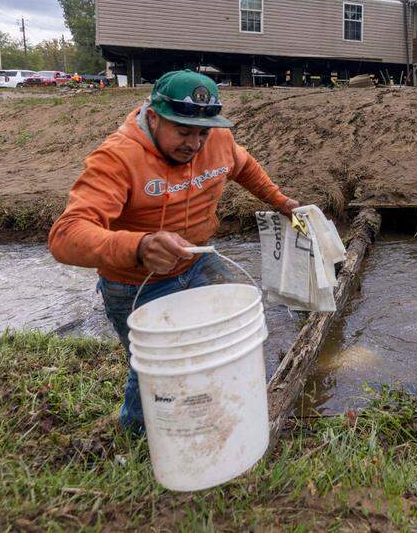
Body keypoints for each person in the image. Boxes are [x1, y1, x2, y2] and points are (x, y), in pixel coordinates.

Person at [48, 69, 299, 434]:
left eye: (202, 132)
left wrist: (281, 202)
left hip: (198, 260)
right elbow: (65, 236)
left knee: (231, 336)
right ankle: (138, 434)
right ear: (154, 117)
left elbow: (242, 166)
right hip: (136, 282)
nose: (195, 144)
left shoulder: (218, 140)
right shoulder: (117, 158)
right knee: (156, 369)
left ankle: (220, 416)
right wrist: (138, 246)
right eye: (183, 131)